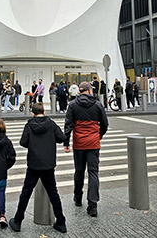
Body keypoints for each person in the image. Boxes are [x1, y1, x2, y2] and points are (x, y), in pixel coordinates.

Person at [9, 103, 67, 233]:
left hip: (34, 163)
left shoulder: (29, 125)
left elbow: (23, 142)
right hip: (48, 164)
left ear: (33, 114)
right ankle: (61, 221)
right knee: (53, 193)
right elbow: (61, 137)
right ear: (44, 112)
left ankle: (17, 220)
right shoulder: (51, 124)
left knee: (26, 192)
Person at [64, 82, 108, 217]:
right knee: (93, 172)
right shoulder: (97, 104)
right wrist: (99, 135)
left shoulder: (73, 105)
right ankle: (92, 204)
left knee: (79, 170)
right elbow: (105, 124)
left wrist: (66, 142)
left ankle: (78, 197)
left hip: (79, 143)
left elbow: (68, 125)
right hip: (93, 143)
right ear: (89, 90)